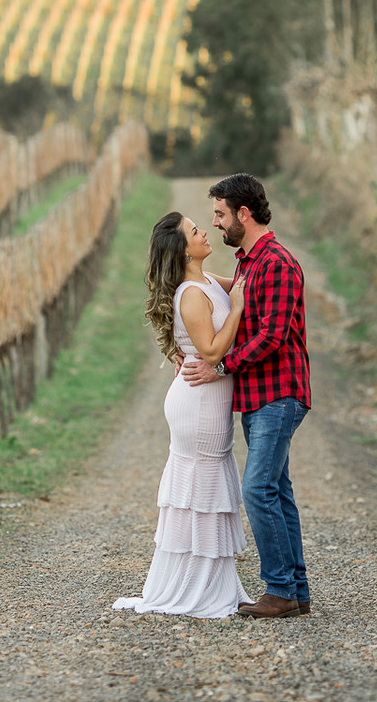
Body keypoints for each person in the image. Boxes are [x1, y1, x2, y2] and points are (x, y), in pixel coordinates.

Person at [181, 173, 311, 619]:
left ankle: (278, 590)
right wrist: (186, 273)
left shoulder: (275, 262)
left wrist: (220, 366)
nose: (215, 223)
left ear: (243, 213)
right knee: (277, 490)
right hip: (260, 397)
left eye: (219, 214)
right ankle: (295, 591)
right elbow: (227, 288)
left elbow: (273, 336)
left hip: (279, 394)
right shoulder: (249, 262)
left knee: (256, 489)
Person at [114, 211, 252, 618]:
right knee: (200, 489)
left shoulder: (207, 281)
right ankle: (196, 588)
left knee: (204, 491)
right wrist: (239, 309)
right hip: (197, 401)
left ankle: (207, 582)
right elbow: (211, 352)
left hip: (206, 397)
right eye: (195, 231)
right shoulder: (191, 293)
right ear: (182, 249)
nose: (204, 231)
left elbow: (246, 286)